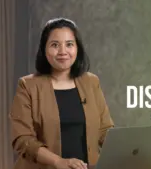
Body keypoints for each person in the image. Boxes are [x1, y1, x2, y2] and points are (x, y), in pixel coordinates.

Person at [9, 18, 114, 169]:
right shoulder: (27, 86)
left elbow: (105, 131)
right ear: (44, 49)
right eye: (55, 45)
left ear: (77, 48)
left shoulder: (91, 82)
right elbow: (23, 140)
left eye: (69, 44)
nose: (63, 51)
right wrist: (58, 162)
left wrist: (131, 150)